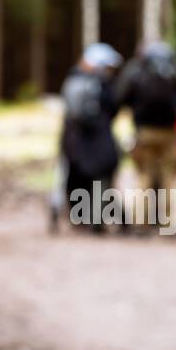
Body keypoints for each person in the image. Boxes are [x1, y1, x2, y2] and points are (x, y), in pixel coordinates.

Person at [114, 41, 176, 232]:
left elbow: (122, 97)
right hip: (170, 132)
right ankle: (167, 224)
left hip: (144, 133)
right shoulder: (175, 70)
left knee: (144, 177)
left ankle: (141, 224)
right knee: (169, 178)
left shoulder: (137, 70)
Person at [54, 42, 124, 233]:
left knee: (75, 175)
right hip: (97, 139)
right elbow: (113, 108)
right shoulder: (100, 84)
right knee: (101, 177)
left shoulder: (73, 80)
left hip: (73, 138)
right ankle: (97, 218)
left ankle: (79, 217)